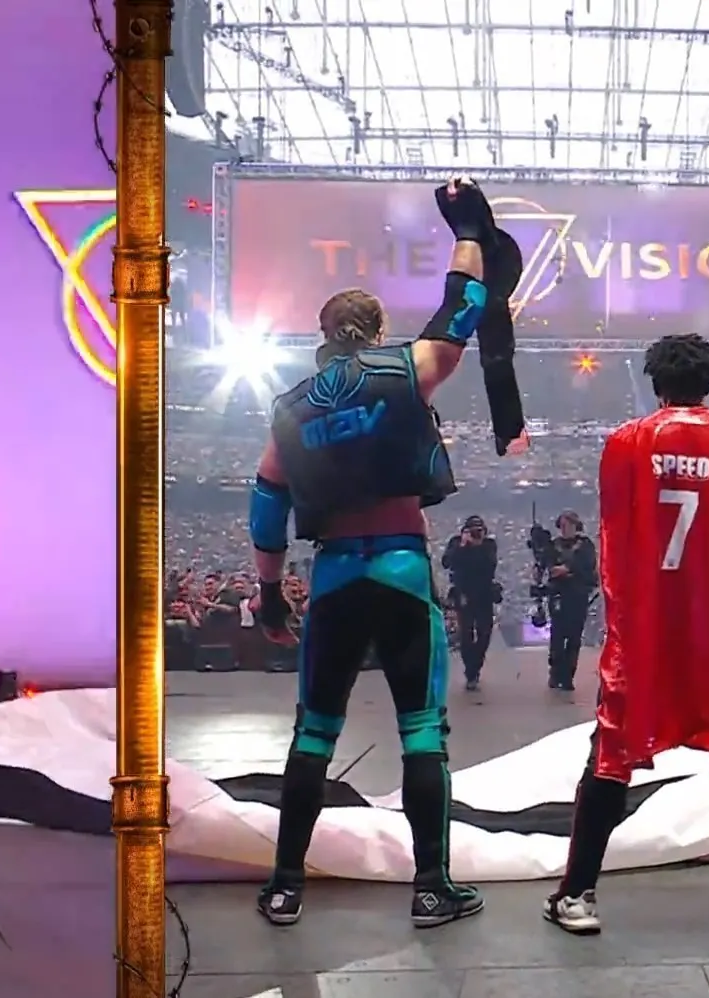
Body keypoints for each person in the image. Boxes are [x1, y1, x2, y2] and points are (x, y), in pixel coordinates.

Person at [249, 176, 526, 929]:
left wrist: (269, 593)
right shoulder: (407, 369)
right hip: (402, 567)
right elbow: (464, 306)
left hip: (335, 574)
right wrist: (468, 231)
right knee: (422, 731)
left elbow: (268, 501)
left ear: (322, 331)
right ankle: (431, 888)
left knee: (313, 731)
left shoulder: (290, 409)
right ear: (375, 330)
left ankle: (284, 886)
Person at [544, 333, 709, 936]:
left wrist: (626, 624)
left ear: (654, 381)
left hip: (650, 633)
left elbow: (616, 541)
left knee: (611, 756)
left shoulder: (626, 443)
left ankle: (577, 895)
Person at [543, 511, 598, 691]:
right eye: (562, 525)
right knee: (557, 636)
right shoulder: (554, 545)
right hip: (558, 594)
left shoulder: (585, 545)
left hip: (577, 595)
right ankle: (555, 672)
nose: (564, 528)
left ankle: (568, 676)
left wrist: (568, 569)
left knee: (574, 637)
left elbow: (588, 565)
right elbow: (547, 564)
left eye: (568, 525)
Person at [442, 516, 499, 691]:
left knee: (484, 633)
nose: (475, 534)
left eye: (479, 531)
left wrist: (477, 545)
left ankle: (476, 666)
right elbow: (447, 563)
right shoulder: (456, 543)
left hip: (484, 594)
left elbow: (490, 565)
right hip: (463, 593)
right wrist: (462, 546)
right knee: (466, 634)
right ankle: (470, 672)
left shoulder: (488, 545)